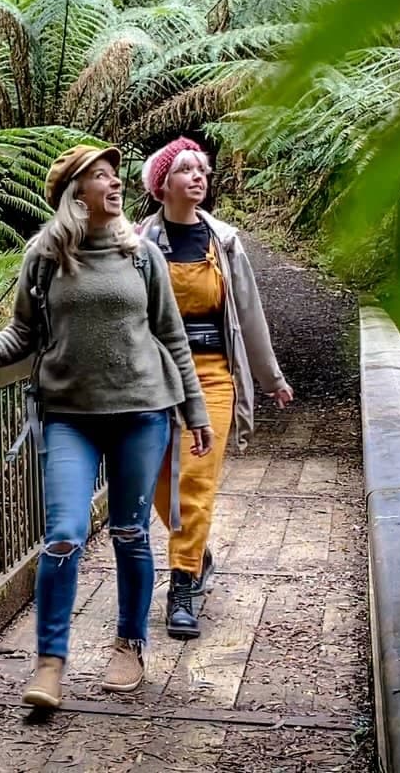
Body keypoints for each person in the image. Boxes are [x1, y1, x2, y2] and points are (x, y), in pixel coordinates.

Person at [0, 144, 212, 710]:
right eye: (100, 176)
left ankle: (129, 644)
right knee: (62, 535)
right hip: (67, 417)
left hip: (142, 412)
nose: (114, 183)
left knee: (130, 531)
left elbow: (172, 337)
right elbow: (20, 337)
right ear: (73, 193)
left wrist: (194, 411)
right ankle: (50, 663)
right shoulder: (45, 256)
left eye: (115, 175)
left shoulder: (142, 255)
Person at [135, 138, 293, 641]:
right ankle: (196, 550)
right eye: (185, 169)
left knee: (196, 480)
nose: (198, 177)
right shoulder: (139, 244)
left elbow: (249, 313)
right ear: (162, 185)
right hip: (155, 380)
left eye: (202, 169)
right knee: (159, 484)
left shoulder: (223, 242)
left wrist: (271, 378)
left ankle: (182, 588)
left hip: (212, 376)